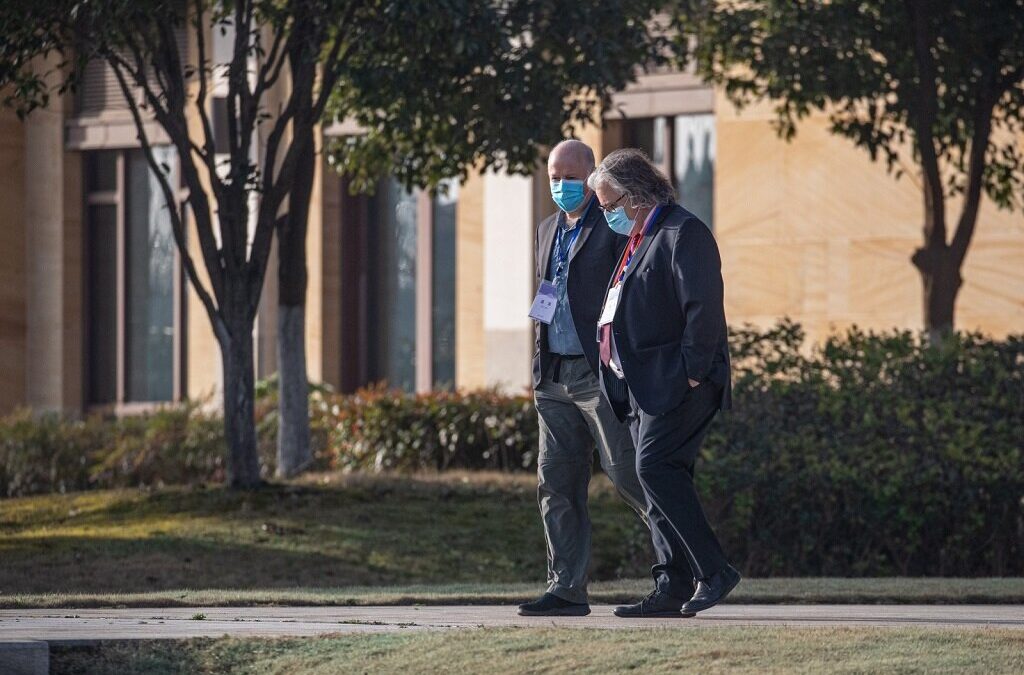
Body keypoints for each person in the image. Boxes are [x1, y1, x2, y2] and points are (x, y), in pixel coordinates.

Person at [588, 148, 740, 618]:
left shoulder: (682, 232)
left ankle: (714, 572)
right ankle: (672, 585)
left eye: (610, 204)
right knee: (655, 480)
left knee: (655, 468)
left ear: (636, 196)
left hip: (679, 382)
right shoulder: (638, 237)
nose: (606, 213)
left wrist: (692, 372)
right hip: (638, 386)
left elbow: (703, 307)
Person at [518, 140, 648, 617]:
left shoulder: (613, 226)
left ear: (592, 176)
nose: (561, 186)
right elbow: (546, 296)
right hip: (553, 376)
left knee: (630, 475)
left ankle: (687, 569)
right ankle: (566, 589)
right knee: (556, 486)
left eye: (571, 177)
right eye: (554, 177)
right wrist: (537, 368)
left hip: (599, 376)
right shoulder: (546, 229)